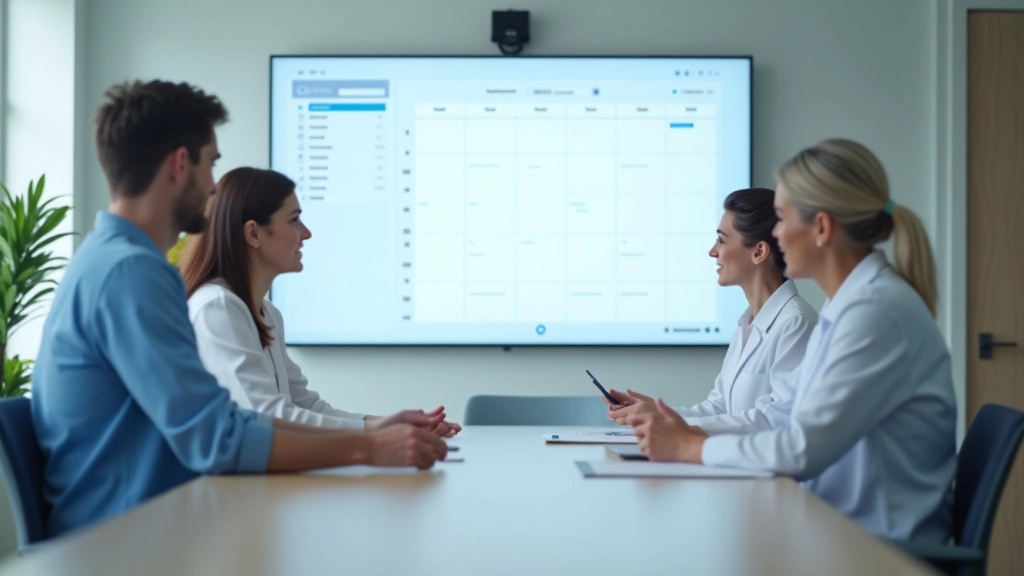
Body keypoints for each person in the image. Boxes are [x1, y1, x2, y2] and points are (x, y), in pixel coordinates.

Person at [31, 80, 447, 538]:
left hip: (148, 524)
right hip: (123, 543)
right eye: (211, 165)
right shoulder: (130, 274)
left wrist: (369, 435)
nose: (213, 188)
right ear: (179, 164)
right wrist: (368, 448)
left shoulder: (110, 261)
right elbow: (219, 440)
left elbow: (232, 422)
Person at [629, 139, 957, 543]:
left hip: (876, 549)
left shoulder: (874, 313)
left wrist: (687, 448)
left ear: (820, 228)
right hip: (836, 532)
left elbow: (801, 449)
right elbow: (782, 416)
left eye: (782, 219)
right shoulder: (849, 309)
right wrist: (689, 434)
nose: (777, 235)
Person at [179, 167, 461, 437]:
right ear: (253, 233)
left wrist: (393, 425)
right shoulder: (217, 307)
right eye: (294, 220)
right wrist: (377, 433)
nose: (306, 233)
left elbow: (305, 406)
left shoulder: (267, 313)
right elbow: (268, 416)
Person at [607, 188, 816, 433]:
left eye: (722, 240)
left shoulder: (796, 323)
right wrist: (660, 414)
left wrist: (668, 424)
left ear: (758, 252)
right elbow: (719, 408)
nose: (712, 251)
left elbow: (776, 420)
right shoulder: (747, 322)